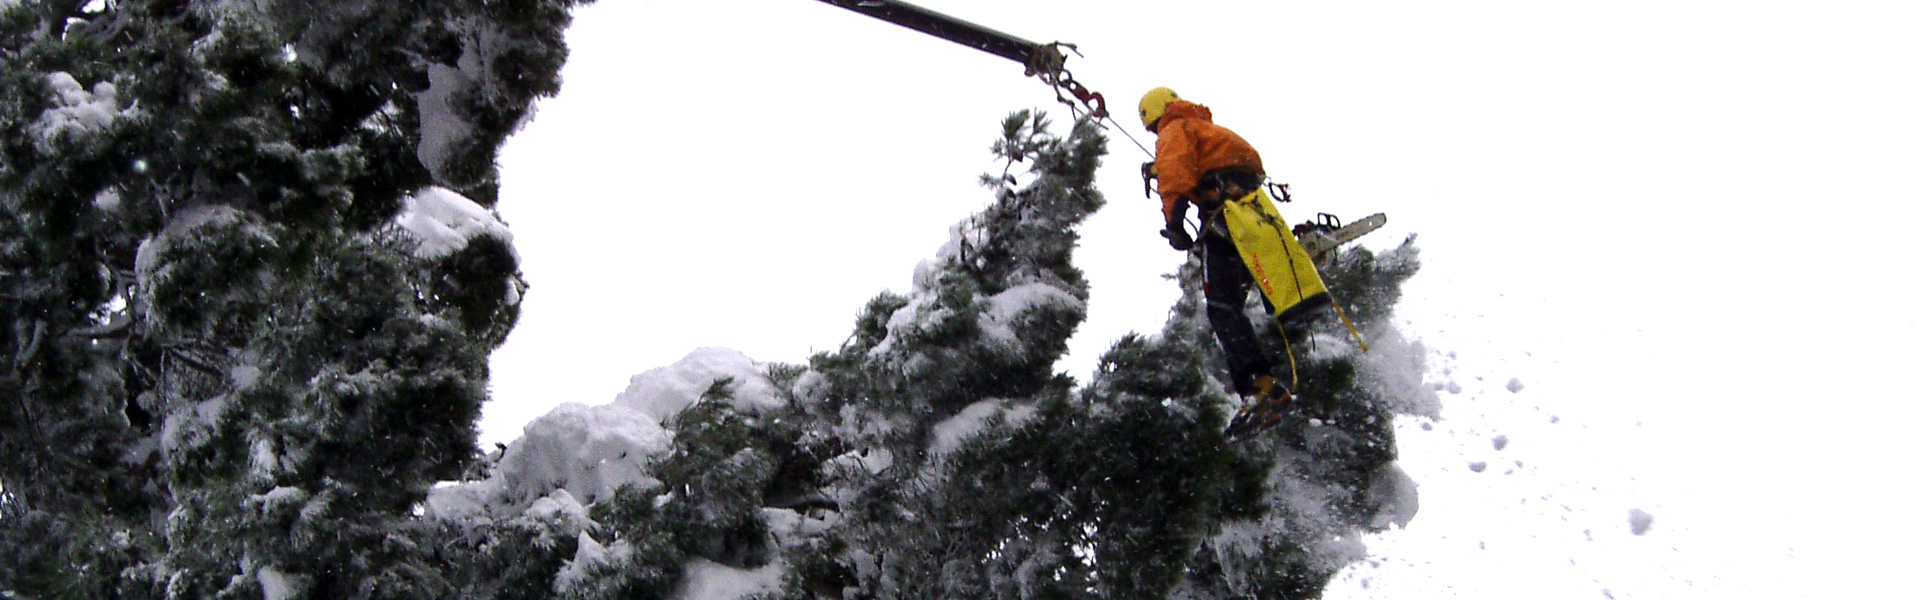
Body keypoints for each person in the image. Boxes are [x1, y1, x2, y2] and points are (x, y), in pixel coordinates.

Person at [1139, 86, 1308, 425]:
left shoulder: (1174, 128)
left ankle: (1261, 390)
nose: (1157, 134)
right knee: (1264, 282)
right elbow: (1233, 167)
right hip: (1254, 217)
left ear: (1156, 115)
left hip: (1224, 221)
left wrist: (1174, 225)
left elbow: (1175, 176)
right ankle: (1268, 385)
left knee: (1222, 305)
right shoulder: (1213, 132)